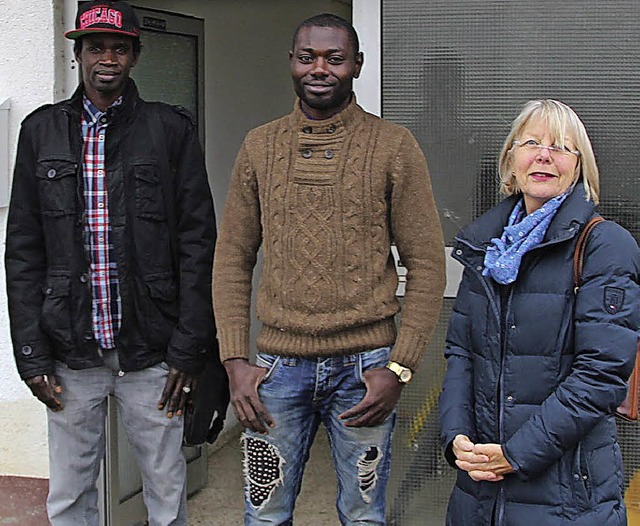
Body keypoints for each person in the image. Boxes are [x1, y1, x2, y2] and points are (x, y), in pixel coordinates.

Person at [212, 12, 445, 526]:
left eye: (334, 58)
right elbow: (232, 257)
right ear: (291, 64)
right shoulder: (260, 146)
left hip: (366, 370)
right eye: (307, 57)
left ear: (357, 65)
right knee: (264, 514)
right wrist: (234, 361)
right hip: (277, 369)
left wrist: (400, 368)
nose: (320, 68)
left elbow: (428, 263)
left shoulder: (393, 146)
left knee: (363, 515)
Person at [4, 1, 217, 524]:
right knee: (71, 497)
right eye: (95, 46)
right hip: (69, 352)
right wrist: (30, 354)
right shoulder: (40, 131)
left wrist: (188, 350)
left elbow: (198, 244)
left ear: (134, 55)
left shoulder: (169, 130)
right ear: (77, 54)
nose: (107, 58)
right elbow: (23, 252)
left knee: (167, 496)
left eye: (119, 48)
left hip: (152, 352)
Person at [438, 99, 640, 525]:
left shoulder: (606, 247)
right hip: (479, 492)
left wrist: (515, 455)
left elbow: (601, 375)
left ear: (578, 168)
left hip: (567, 492)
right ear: (511, 162)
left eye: (563, 147)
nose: (545, 154)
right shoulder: (486, 250)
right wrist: (455, 437)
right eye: (531, 143)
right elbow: (460, 354)